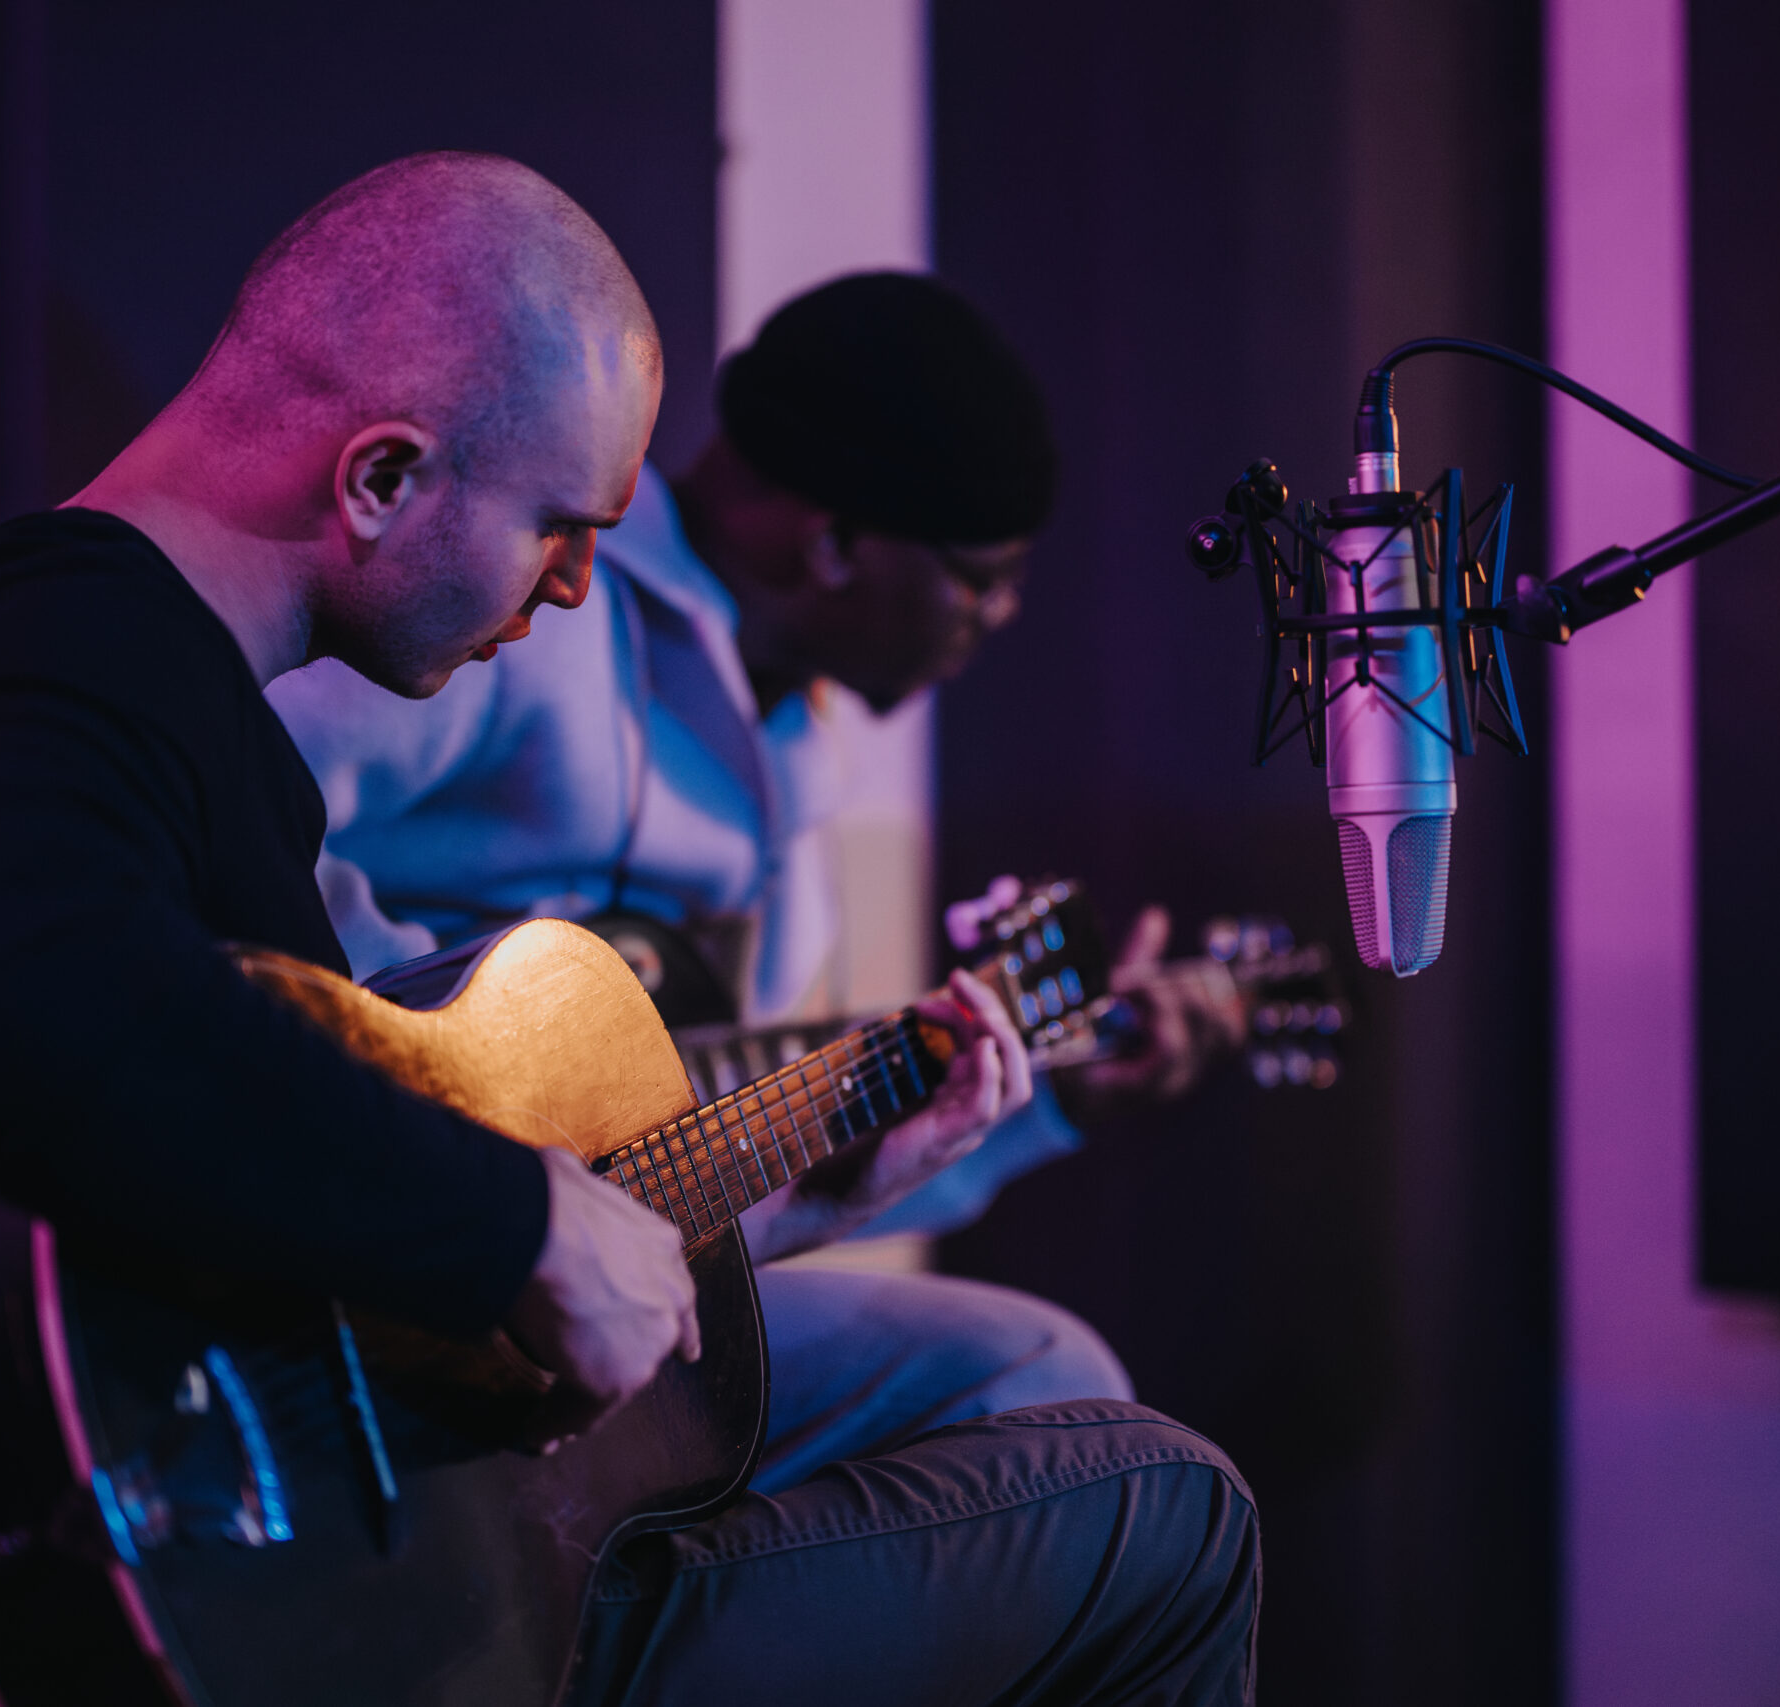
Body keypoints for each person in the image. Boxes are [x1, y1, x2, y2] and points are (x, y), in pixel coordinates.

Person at [0, 152, 1258, 1705]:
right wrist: (517, 1221)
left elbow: (335, 1276)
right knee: (1166, 1509)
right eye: (561, 524)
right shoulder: (58, 642)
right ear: (384, 478)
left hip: (358, 1587)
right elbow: (7, 997)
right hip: (271, 1630)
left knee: (1070, 1427)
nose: (579, 583)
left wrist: (797, 1192)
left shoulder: (200, 725)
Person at [270, 271, 1248, 1491]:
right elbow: (241, 798)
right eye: (978, 574)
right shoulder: (529, 613)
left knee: (1054, 1409)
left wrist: (1049, 1100)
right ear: (831, 543)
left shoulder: (800, 762)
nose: (998, 615)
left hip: (578, 1306)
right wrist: (457, 1115)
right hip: (354, 1252)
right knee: (1044, 1375)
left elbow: (734, 1173)